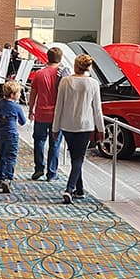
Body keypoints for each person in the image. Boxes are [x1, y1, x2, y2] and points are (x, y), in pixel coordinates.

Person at [52, 54, 104, 205]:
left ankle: (79, 190)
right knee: (78, 158)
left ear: (75, 66)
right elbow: (97, 110)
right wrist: (100, 129)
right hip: (85, 126)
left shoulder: (65, 81)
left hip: (67, 125)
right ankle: (69, 188)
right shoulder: (93, 84)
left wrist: (55, 128)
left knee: (75, 156)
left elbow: (59, 107)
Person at [29, 47, 68, 182]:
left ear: (47, 57)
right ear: (60, 58)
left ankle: (39, 168)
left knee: (39, 141)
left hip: (41, 113)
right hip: (57, 115)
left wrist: (30, 110)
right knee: (55, 143)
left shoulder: (39, 74)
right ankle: (52, 173)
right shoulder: (63, 75)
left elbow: (33, 93)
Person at [0, 81, 26, 193]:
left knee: (2, 155)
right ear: (12, 94)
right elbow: (23, 121)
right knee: (11, 156)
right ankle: (8, 178)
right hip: (12, 133)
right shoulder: (16, 107)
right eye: (19, 93)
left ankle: (0, 178)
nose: (20, 95)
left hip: (0, 132)